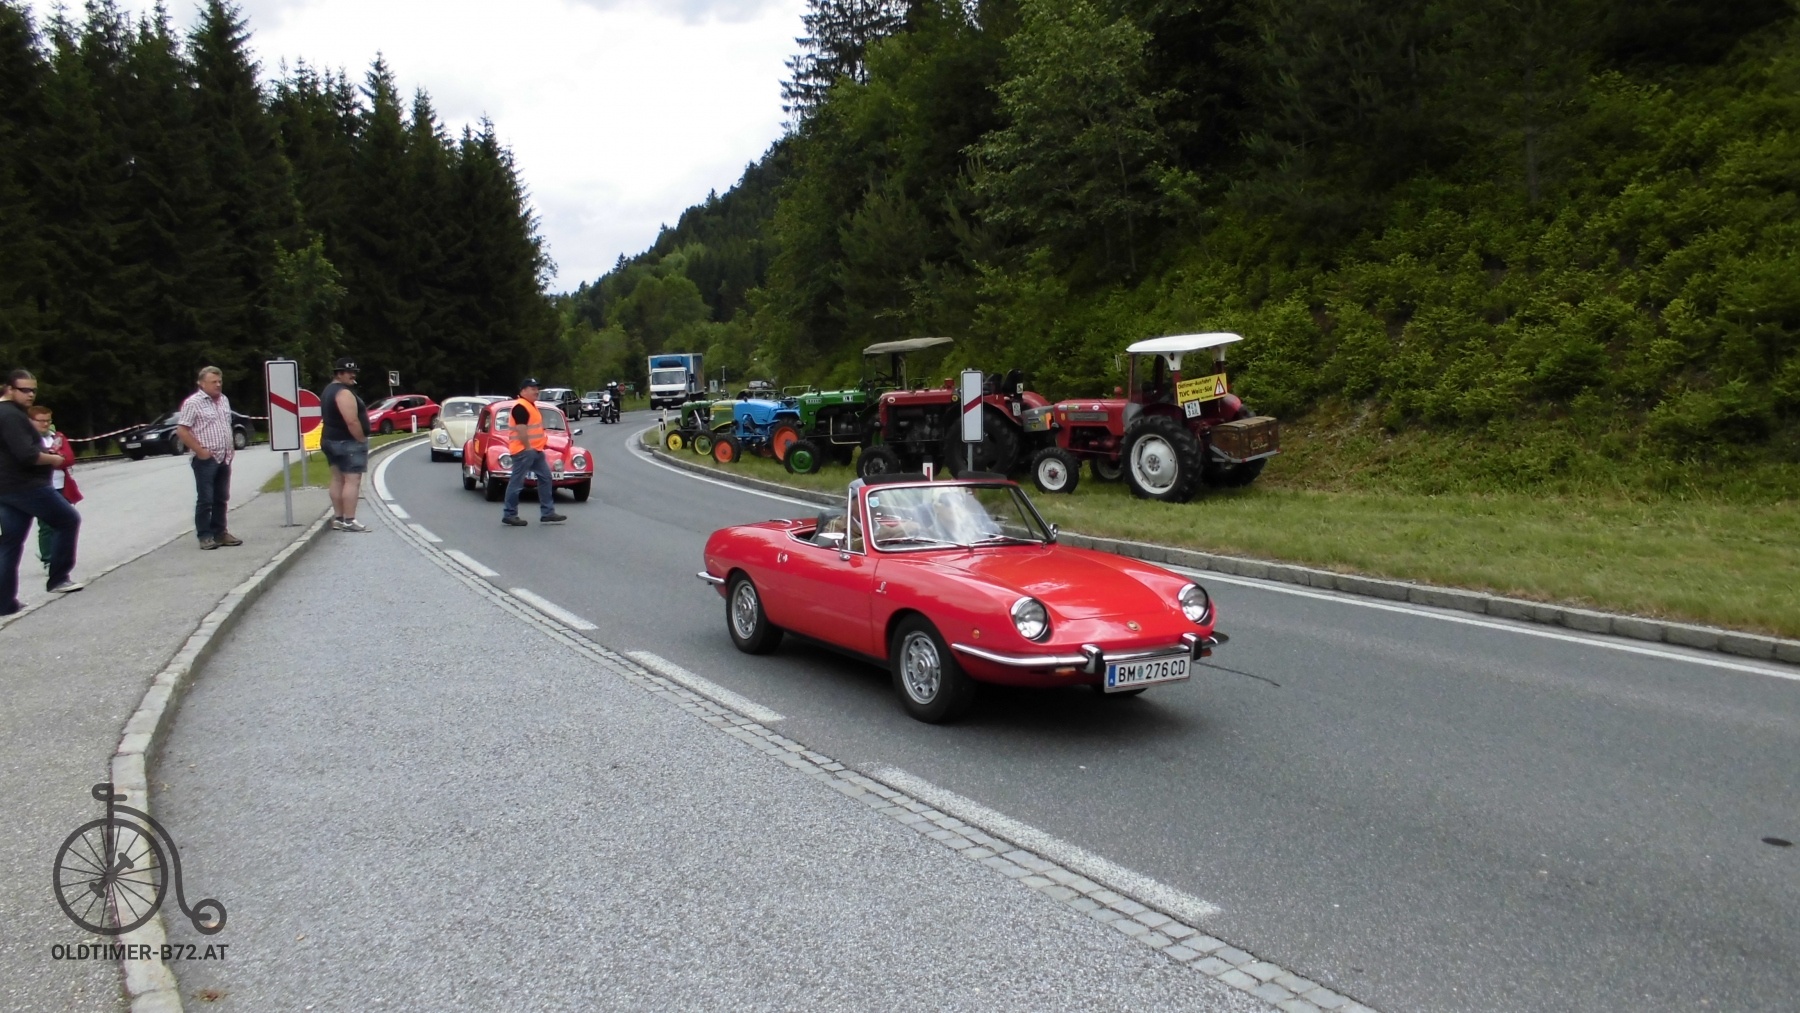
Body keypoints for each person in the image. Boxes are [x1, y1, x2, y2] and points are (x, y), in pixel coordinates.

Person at [0, 369, 84, 612]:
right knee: (68, 519)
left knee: (11, 541)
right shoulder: (11, 415)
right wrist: (53, 459)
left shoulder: (9, 413)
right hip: (25, 485)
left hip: (7, 487)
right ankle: (58, 578)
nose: (30, 395)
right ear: (9, 389)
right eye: (24, 390)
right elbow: (26, 455)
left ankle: (5, 603)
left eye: (33, 390)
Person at [175, 366, 241, 549]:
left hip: (224, 457)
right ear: (202, 384)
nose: (218, 385)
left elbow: (226, 425)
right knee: (206, 499)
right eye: (214, 382)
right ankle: (205, 535)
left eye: (220, 381)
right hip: (206, 459)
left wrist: (230, 448)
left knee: (222, 497)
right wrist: (200, 451)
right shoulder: (193, 403)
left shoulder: (224, 400)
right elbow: (182, 430)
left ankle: (220, 532)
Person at [500, 378, 566, 527]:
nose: (536, 391)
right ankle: (509, 514)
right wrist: (528, 447)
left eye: (537, 388)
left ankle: (547, 513)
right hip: (524, 451)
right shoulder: (520, 407)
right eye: (533, 389)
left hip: (535, 451)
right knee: (517, 483)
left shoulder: (531, 405)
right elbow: (521, 429)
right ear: (523, 391)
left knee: (546, 478)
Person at [320, 358, 372, 533]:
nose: (353, 375)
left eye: (354, 372)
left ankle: (339, 519)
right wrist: (361, 439)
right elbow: (351, 421)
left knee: (337, 479)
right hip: (347, 442)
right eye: (349, 372)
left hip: (330, 439)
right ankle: (350, 520)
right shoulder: (343, 393)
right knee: (352, 480)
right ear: (339, 374)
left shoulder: (328, 390)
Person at [29, 405, 82, 568]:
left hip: (60, 485)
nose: (45, 424)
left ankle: (61, 556)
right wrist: (54, 458)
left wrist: (49, 459)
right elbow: (30, 461)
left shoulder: (57, 437)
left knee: (65, 521)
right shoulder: (27, 439)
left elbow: (69, 459)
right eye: (41, 421)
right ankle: (48, 558)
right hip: (39, 486)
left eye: (48, 420)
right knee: (46, 524)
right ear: (30, 421)